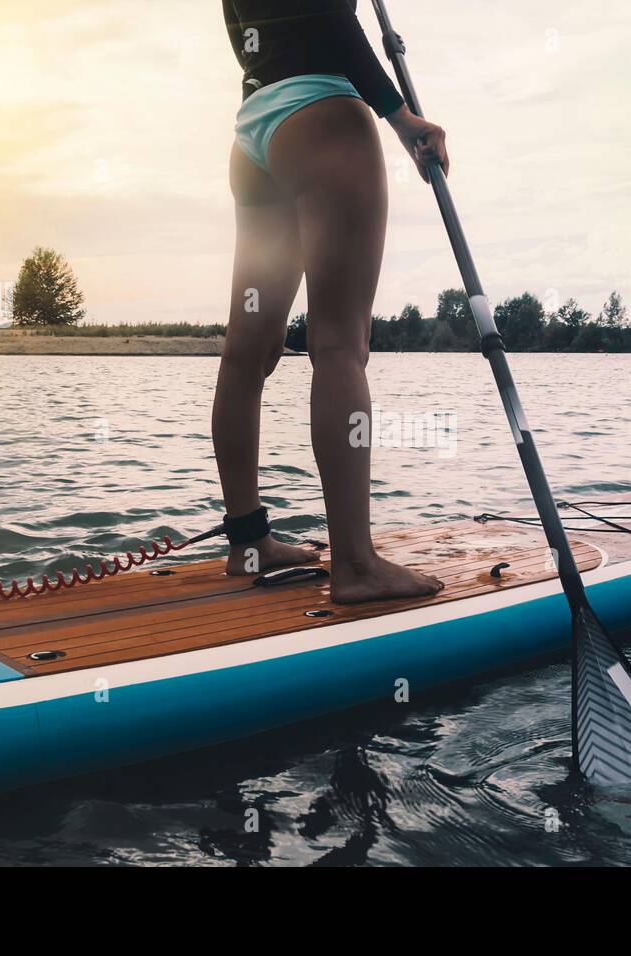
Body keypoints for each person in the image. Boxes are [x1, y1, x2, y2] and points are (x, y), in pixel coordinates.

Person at [213, 1, 450, 603]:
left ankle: (247, 544)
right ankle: (356, 565)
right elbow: (332, 21)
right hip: (323, 116)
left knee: (248, 353)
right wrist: (403, 119)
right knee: (341, 345)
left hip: (255, 132)